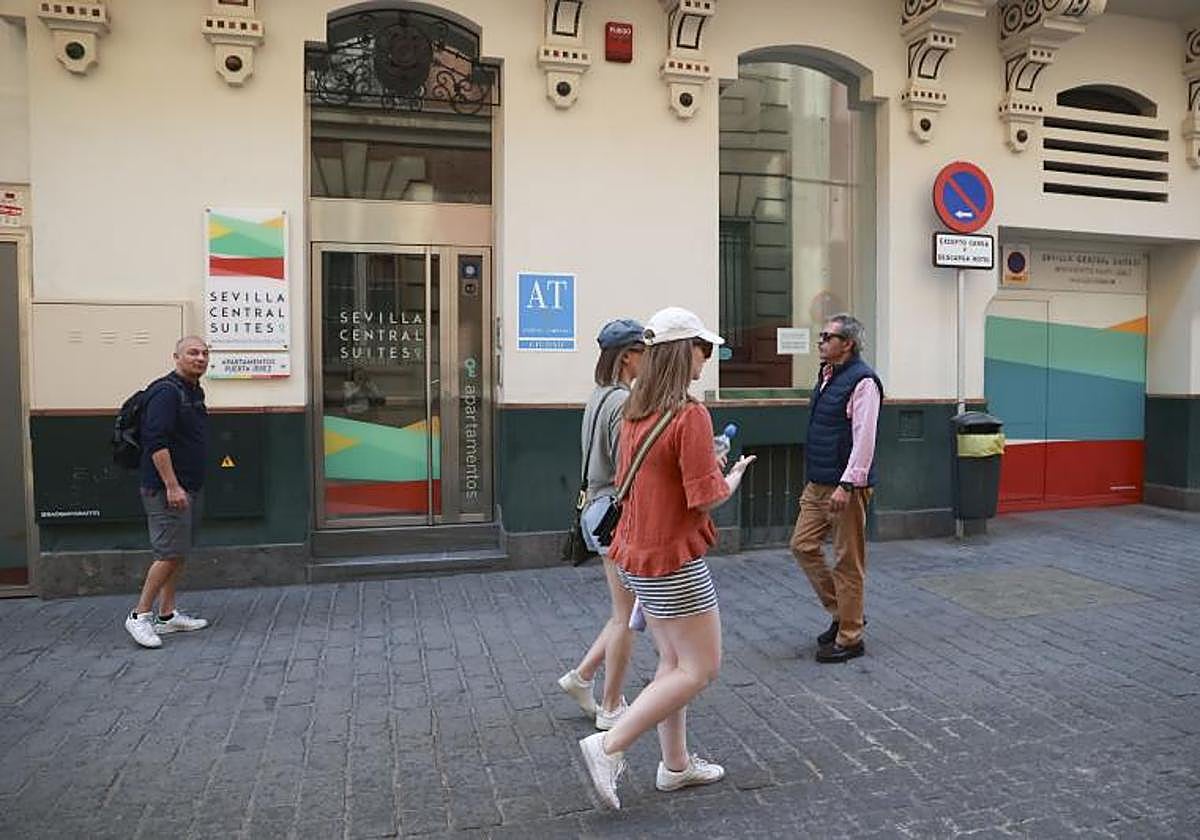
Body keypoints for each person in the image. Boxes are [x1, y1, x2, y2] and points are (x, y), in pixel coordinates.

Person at [577, 306, 755, 810]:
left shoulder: (637, 408)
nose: (709, 356)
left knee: (674, 662)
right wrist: (731, 478)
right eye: (704, 347)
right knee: (699, 668)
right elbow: (704, 497)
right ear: (686, 352)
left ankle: (675, 766)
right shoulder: (689, 413)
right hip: (673, 558)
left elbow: (661, 480)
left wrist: (706, 468)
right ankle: (608, 747)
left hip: (638, 554)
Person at [557, 318, 645, 730]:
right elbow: (627, 469)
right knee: (626, 617)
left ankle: (581, 678)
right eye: (644, 350)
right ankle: (611, 707)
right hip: (616, 512)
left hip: (595, 507)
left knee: (622, 612)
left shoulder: (598, 396)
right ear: (628, 355)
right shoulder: (623, 402)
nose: (649, 358)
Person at [788, 313, 882, 664]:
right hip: (818, 482)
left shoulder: (863, 382)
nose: (820, 341)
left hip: (846, 487)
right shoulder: (827, 376)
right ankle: (843, 612)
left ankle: (851, 637)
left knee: (847, 561)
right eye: (821, 336)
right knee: (802, 545)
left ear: (848, 344)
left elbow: (864, 438)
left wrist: (848, 483)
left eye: (828, 337)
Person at [123, 336, 212, 649]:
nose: (200, 358)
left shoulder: (193, 390)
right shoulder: (165, 392)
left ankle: (167, 614)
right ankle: (139, 615)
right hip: (166, 490)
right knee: (168, 553)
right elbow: (156, 442)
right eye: (193, 353)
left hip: (188, 487)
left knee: (178, 551)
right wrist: (172, 485)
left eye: (204, 353)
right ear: (176, 356)